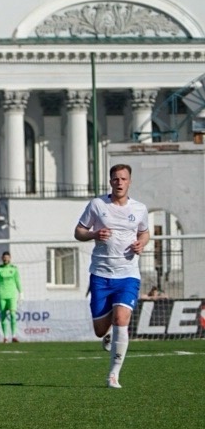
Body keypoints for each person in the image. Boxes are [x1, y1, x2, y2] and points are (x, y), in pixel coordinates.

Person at [74, 163, 149, 388]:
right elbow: (78, 231)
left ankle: (113, 374)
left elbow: (144, 233)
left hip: (128, 274)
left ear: (129, 181)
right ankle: (107, 337)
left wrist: (141, 244)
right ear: (110, 181)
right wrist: (94, 233)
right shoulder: (97, 205)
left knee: (121, 319)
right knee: (100, 330)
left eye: (123, 179)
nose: (119, 183)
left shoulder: (139, 209)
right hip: (100, 273)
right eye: (115, 179)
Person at [0, 251, 23, 343]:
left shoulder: (14, 269)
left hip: (12, 295)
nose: (6, 259)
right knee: (3, 316)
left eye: (7, 257)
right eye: (4, 257)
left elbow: (18, 281)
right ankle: (5, 337)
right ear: (2, 258)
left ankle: (14, 336)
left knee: (13, 314)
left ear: (10, 258)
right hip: (1, 295)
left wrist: (21, 293)